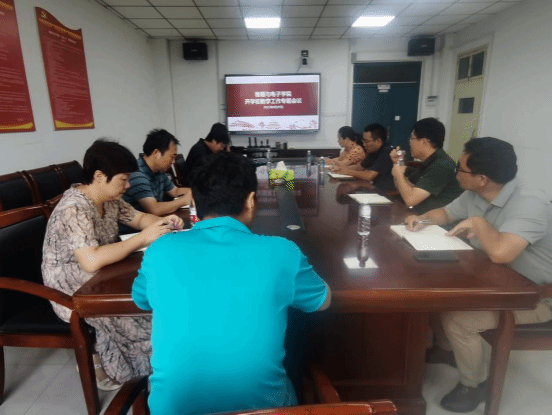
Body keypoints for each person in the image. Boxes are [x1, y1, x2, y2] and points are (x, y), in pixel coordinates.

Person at [132, 152, 331, 415]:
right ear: (250, 200)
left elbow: (141, 299)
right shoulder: (282, 251)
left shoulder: (160, 250)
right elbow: (323, 301)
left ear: (195, 203)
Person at [404, 137, 552, 413]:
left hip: (534, 297)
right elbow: (445, 213)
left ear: (482, 178)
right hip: (492, 282)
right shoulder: (476, 192)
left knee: (458, 320)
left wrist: (479, 222)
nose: (455, 173)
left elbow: (501, 253)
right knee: (434, 294)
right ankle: (449, 350)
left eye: (460, 169)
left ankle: (474, 385)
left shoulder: (530, 202)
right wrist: (421, 220)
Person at [42, 139, 184, 390]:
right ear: (99, 176)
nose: (128, 185)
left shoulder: (108, 198)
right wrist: (143, 238)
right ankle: (141, 378)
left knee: (149, 299)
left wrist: (163, 223)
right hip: (71, 286)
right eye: (123, 179)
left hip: (102, 274)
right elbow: (91, 260)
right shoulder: (74, 208)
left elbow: (138, 218)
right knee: (136, 314)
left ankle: (159, 367)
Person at [391, 118, 463, 213]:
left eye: (412, 139)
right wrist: (397, 163)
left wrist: (399, 174)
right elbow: (403, 188)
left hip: (436, 220)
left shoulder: (442, 165)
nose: (410, 143)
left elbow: (410, 200)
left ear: (424, 142)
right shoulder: (429, 162)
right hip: (420, 215)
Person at [123, 129, 191, 217]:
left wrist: (195, 192)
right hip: (137, 225)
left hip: (154, 221)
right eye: (172, 157)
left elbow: (175, 191)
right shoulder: (137, 174)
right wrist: (184, 200)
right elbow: (154, 209)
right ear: (157, 153)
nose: (173, 162)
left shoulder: (159, 170)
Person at [330, 123, 395, 191]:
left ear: (378, 141)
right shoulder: (373, 151)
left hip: (386, 192)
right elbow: (360, 167)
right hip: (374, 188)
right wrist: (341, 168)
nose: (364, 144)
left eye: (367, 141)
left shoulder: (387, 152)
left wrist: (347, 171)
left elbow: (369, 176)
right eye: (363, 141)